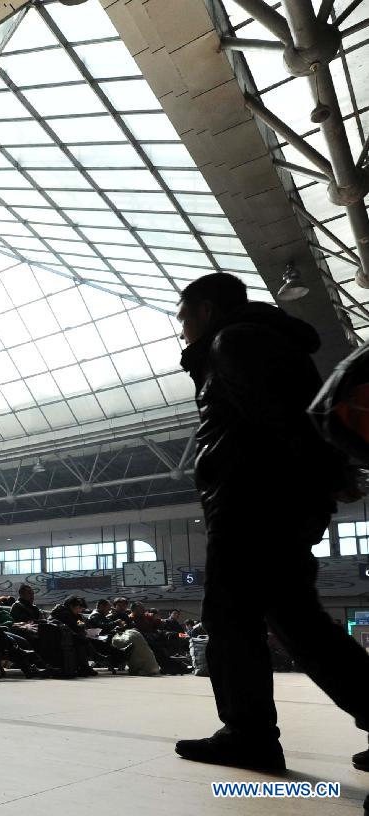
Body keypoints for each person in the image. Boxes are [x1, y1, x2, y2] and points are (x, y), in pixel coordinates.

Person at [173, 272, 369, 773]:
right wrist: (330, 474)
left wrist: (329, 472)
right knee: (296, 618)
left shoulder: (234, 342)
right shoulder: (263, 340)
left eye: (183, 317)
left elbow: (279, 417)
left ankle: (248, 734)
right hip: (278, 499)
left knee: (230, 618)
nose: (181, 331)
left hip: (252, 501)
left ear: (207, 310)